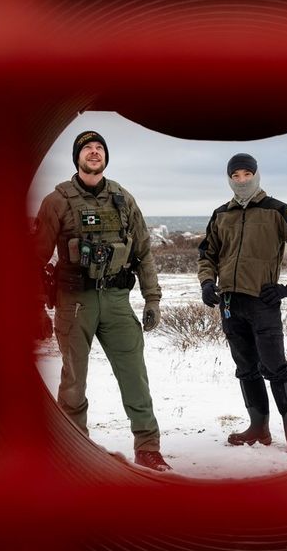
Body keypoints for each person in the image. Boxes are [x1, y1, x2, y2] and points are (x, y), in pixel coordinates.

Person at [32, 130, 171, 472]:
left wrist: (151, 298)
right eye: (87, 149)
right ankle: (74, 451)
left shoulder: (123, 198)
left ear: (105, 157)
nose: (94, 153)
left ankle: (148, 447)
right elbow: (34, 258)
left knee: (135, 377)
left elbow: (143, 253)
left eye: (99, 149)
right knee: (74, 382)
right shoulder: (57, 201)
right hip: (75, 302)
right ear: (77, 157)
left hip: (117, 301)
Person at [198, 153, 287, 454]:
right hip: (229, 302)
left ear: (257, 175)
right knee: (245, 368)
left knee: (275, 367)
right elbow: (207, 253)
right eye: (236, 175)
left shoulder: (277, 210)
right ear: (229, 179)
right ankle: (258, 428)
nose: (242, 180)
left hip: (262, 303)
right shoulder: (220, 214)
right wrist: (206, 283)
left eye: (247, 174)